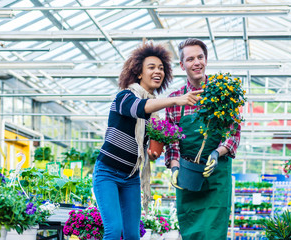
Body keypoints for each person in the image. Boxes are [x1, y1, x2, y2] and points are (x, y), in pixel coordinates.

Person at [92, 42, 202, 240]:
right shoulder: (124, 97)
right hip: (107, 173)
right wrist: (176, 100)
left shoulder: (153, 115)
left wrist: (152, 152)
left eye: (161, 68)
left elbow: (147, 145)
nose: (157, 71)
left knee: (133, 235)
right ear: (139, 73)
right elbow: (140, 108)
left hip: (131, 177)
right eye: (151, 67)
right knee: (114, 230)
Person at [165, 38, 241, 239]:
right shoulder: (174, 100)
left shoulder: (224, 94)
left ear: (206, 60)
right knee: (191, 232)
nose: (196, 62)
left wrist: (217, 152)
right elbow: (172, 142)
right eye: (190, 59)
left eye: (200, 57)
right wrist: (174, 167)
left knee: (214, 233)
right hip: (189, 177)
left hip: (216, 178)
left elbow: (233, 132)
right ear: (182, 65)